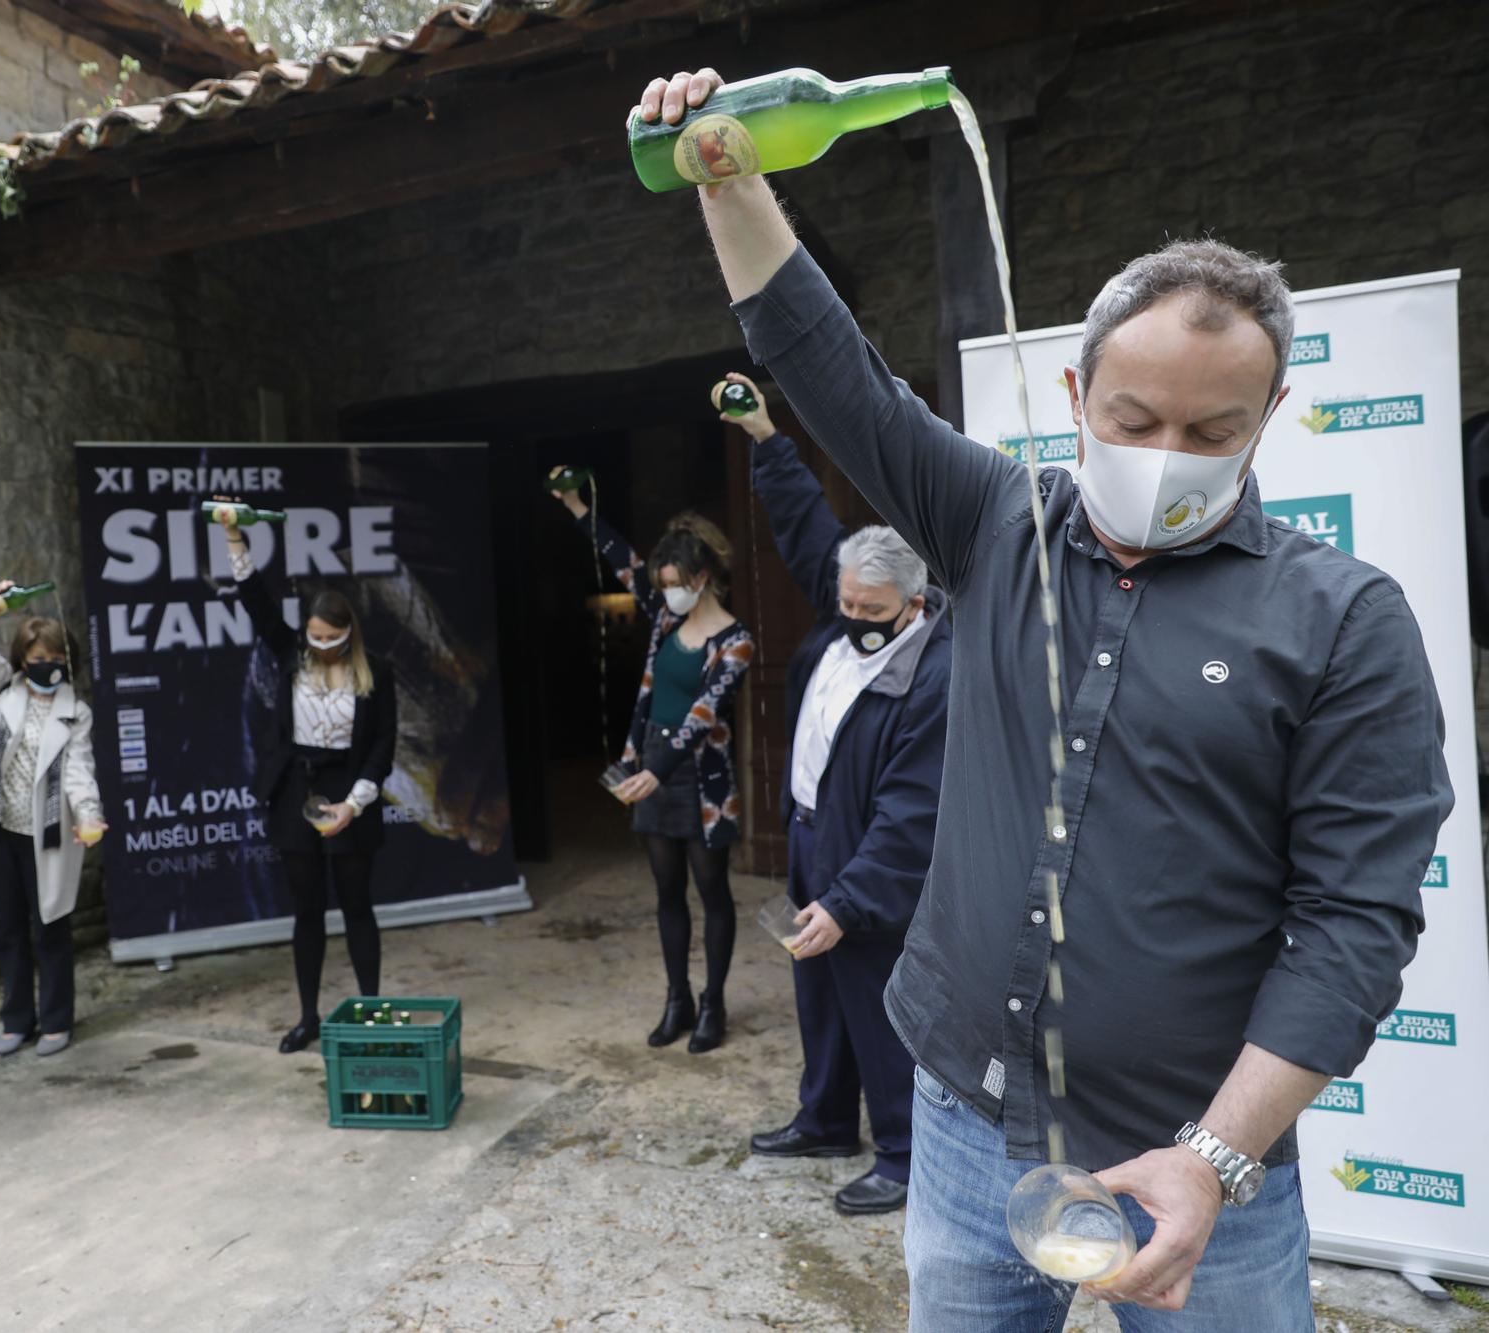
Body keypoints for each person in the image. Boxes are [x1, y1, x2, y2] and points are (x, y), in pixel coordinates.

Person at [639, 71, 1449, 1330]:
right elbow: (825, 363)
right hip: (966, 1129)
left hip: (1199, 1168)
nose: (1167, 457)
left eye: (1210, 430)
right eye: (1133, 418)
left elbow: (1352, 922)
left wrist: (1216, 1157)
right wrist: (728, 178)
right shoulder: (994, 524)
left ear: (1268, 420)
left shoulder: (1341, 621)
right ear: (1074, 400)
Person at [724, 375, 951, 1216]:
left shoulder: (934, 675)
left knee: (876, 999)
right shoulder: (850, 609)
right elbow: (807, 531)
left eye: (869, 608)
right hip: (814, 835)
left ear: (914, 605)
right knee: (816, 992)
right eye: (844, 601)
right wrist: (764, 436)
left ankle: (901, 1150)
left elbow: (912, 816)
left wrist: (851, 900)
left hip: (874, 863)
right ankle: (824, 1117)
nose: (851, 615)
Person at [551, 481, 755, 1053]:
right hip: (654, 770)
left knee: (711, 889)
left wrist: (656, 771)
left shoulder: (735, 642)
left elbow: (701, 715)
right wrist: (577, 508)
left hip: (701, 779)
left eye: (676, 585)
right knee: (666, 889)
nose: (667, 594)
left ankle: (713, 1002)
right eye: (662, 586)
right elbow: (622, 559)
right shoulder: (665, 619)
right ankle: (678, 1000)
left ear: (703, 579)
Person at [215, 499, 399, 1054]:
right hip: (295, 784)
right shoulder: (293, 652)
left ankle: (371, 1012)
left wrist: (355, 803)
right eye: (313, 635)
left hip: (349, 790)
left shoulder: (376, 673)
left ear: (348, 633)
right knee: (306, 910)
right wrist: (234, 540)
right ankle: (308, 1016)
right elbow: (257, 603)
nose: (320, 644)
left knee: (358, 906)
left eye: (329, 637)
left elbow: (383, 746)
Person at [0, 581, 107, 1059]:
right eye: (39, 657)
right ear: (22, 660)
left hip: (49, 834)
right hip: (0, 830)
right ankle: (16, 1020)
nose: (48, 666)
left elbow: (79, 770)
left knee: (51, 925)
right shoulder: (4, 688)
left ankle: (57, 1019)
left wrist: (90, 816)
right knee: (9, 929)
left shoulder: (75, 713)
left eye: (57, 658)